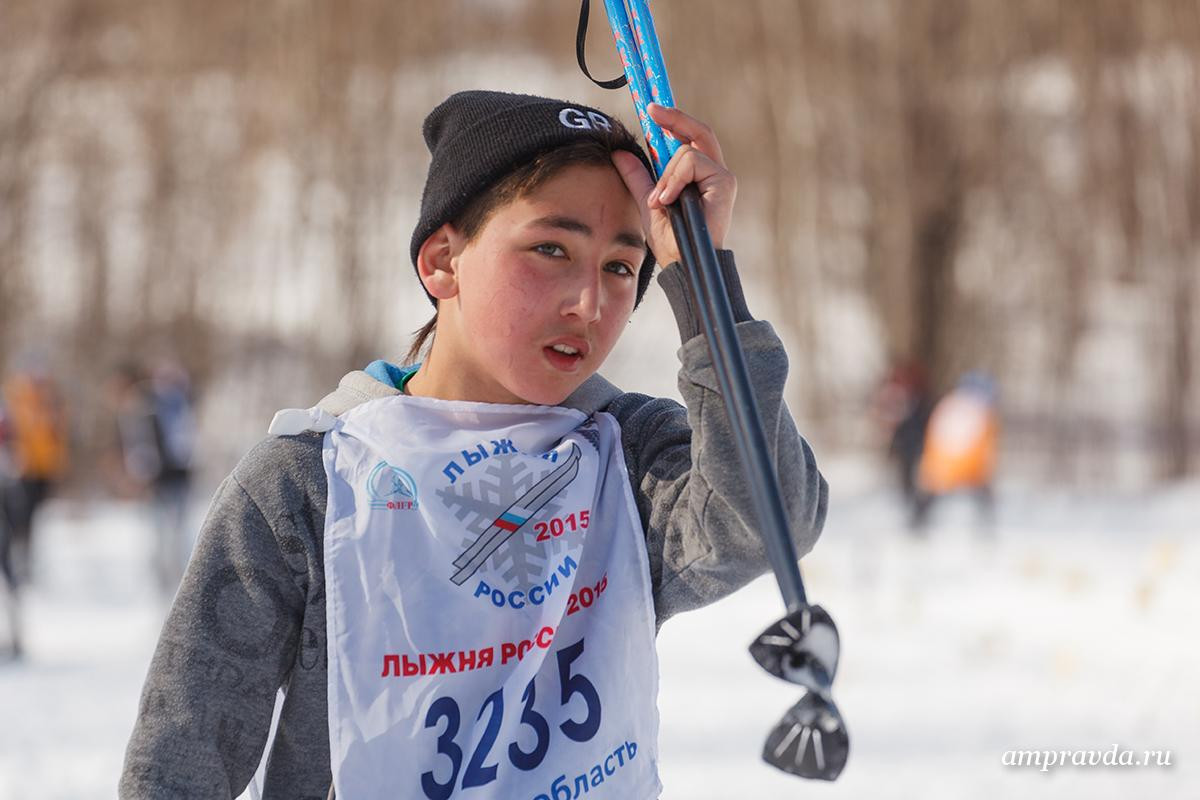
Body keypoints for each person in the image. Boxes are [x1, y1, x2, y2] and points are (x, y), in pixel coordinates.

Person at [120, 91, 828, 799]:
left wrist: (705, 284)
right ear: (442, 261)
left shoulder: (626, 455)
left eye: (622, 266)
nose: (589, 302)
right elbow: (180, 762)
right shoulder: (311, 479)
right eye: (551, 249)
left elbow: (769, 518)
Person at [912, 371, 999, 531]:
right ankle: (918, 525)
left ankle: (918, 524)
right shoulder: (974, 410)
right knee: (980, 496)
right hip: (960, 464)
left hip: (945, 463)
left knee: (931, 495)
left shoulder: (952, 405)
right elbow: (962, 439)